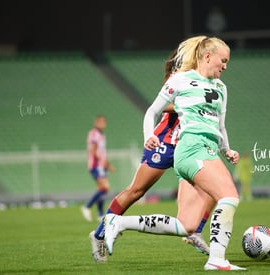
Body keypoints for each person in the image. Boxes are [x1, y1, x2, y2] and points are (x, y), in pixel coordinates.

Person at [104, 35, 245, 271]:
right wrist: (149, 135)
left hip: (208, 149)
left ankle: (118, 222)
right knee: (229, 196)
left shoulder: (221, 88)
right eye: (223, 60)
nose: (225, 66)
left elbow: (220, 126)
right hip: (191, 147)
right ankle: (217, 259)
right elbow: (152, 111)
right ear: (207, 56)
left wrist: (227, 149)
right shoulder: (180, 80)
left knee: (187, 225)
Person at [89, 49, 214, 263]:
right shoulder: (177, 77)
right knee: (136, 191)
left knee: (212, 187)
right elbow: (162, 106)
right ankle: (99, 233)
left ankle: (194, 232)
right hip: (164, 142)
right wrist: (190, 107)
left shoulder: (205, 80)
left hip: (188, 144)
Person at [81, 115, 115, 222]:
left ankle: (100, 214)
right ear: (96, 123)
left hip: (101, 165)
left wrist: (106, 164)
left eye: (104, 122)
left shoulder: (101, 135)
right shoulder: (94, 134)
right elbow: (94, 151)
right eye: (100, 122)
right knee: (105, 188)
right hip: (96, 165)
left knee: (102, 189)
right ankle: (87, 206)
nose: (103, 124)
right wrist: (105, 163)